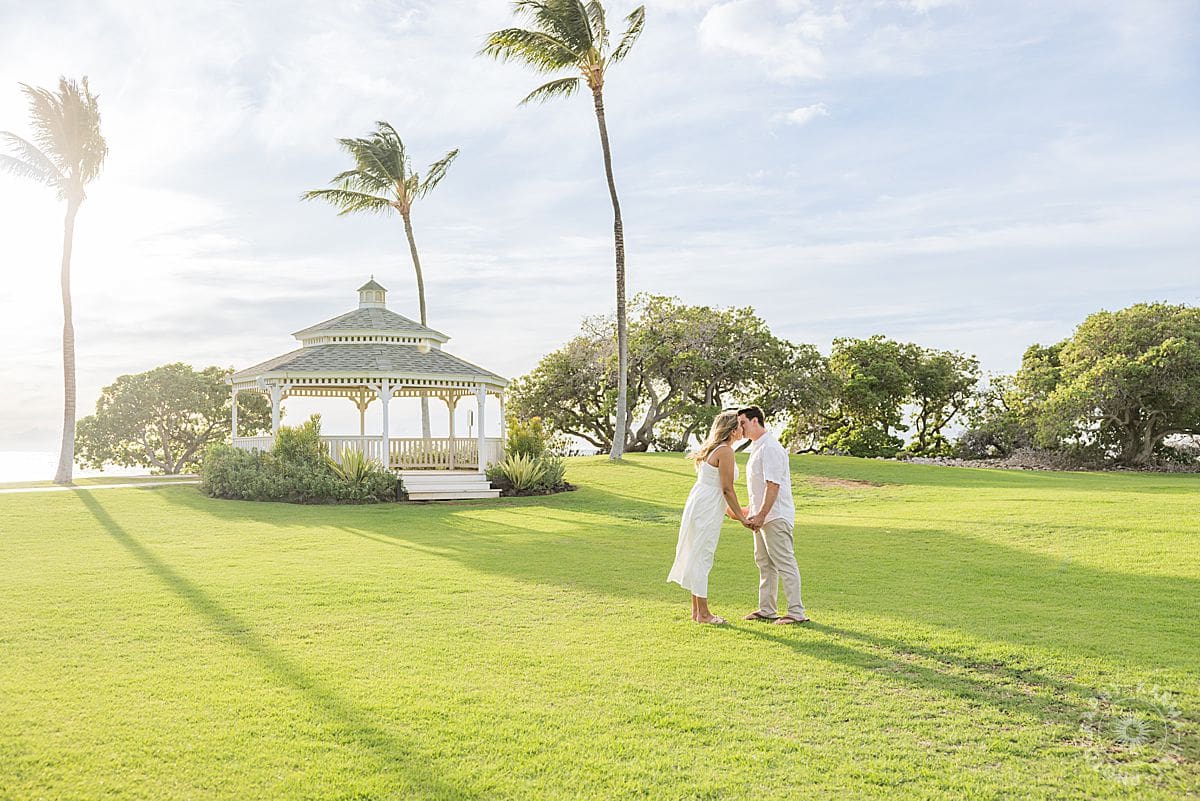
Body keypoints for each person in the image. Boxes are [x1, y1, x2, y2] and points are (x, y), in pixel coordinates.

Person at [667, 410, 754, 624]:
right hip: (705, 507)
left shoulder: (716, 449)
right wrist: (743, 519)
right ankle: (704, 614)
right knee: (703, 554)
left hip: (703, 503)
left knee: (698, 553)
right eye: (741, 425)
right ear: (733, 430)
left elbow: (718, 490)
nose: (744, 428)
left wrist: (737, 513)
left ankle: (697, 612)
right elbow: (726, 489)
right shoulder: (725, 451)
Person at [737, 406, 809, 625]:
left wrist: (762, 515)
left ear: (755, 421)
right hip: (761, 517)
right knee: (764, 563)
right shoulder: (757, 448)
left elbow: (773, 485)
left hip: (775, 516)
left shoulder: (770, 448)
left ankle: (796, 612)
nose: (739, 428)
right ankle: (767, 609)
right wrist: (750, 512)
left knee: (784, 561)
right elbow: (758, 488)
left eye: (743, 423)